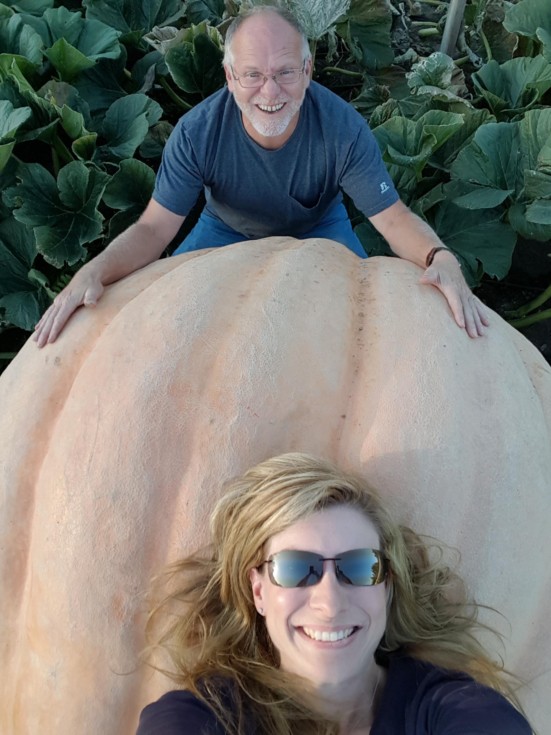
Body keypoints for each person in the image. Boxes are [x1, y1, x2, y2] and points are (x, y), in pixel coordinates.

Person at [34, 6, 489, 348]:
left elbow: (393, 219)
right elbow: (154, 230)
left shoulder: (343, 129)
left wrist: (438, 256)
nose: (270, 91)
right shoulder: (196, 133)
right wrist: (95, 270)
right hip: (224, 228)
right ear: (230, 77)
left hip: (319, 228)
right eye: (253, 74)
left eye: (285, 72)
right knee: (166, 318)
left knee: (362, 330)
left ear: (307, 71)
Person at [136, 453, 532, 735]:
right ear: (258, 591)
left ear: (387, 585)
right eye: (296, 568)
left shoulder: (451, 708)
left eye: (359, 567)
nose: (330, 603)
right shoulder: (207, 717)